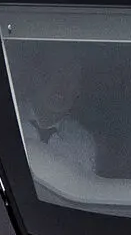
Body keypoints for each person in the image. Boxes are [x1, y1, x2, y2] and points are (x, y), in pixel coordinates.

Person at [18, 46, 96, 174]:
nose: (62, 85)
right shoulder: (6, 121)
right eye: (55, 73)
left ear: (78, 90)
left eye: (71, 78)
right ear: (36, 78)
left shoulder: (82, 143)